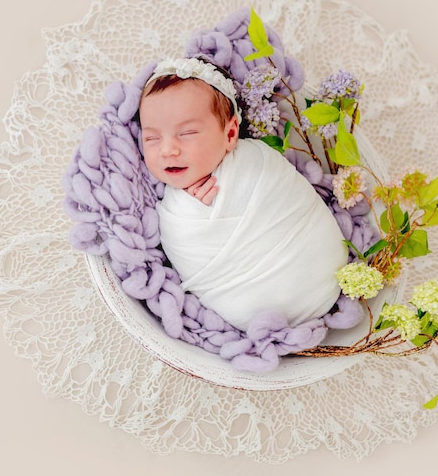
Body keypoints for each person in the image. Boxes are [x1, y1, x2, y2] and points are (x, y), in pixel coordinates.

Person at [138, 57, 350, 332]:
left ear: (230, 134)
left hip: (319, 262)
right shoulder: (174, 209)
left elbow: (287, 197)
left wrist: (226, 197)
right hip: (246, 301)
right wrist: (197, 215)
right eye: (151, 138)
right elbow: (186, 246)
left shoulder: (255, 159)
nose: (167, 150)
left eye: (187, 133)